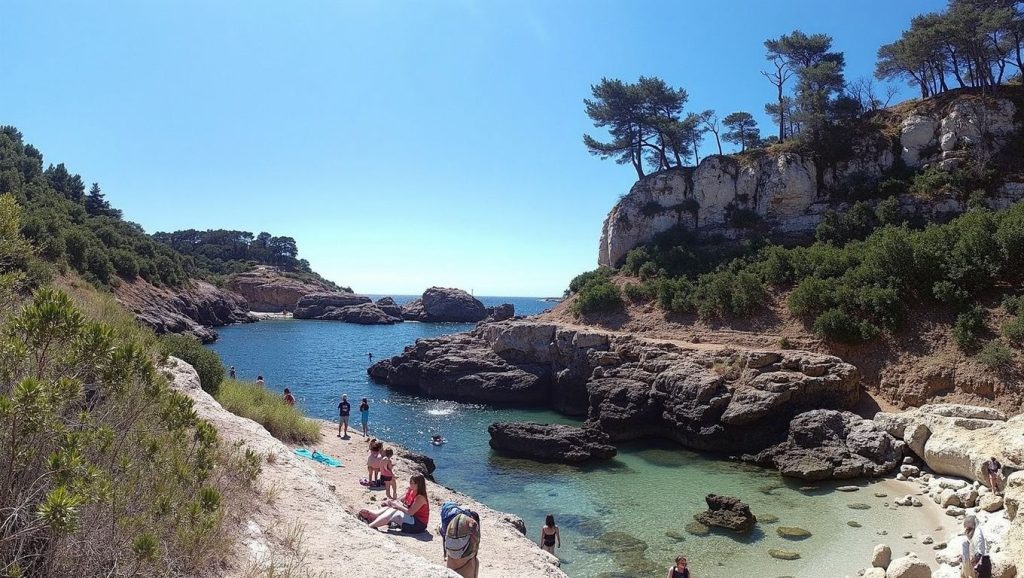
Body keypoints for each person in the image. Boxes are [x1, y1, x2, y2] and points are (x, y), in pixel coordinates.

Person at [359, 475, 430, 534]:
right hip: (410, 518)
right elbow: (399, 500)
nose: (411, 484)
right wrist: (391, 502)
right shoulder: (411, 490)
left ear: (419, 484)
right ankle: (373, 515)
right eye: (410, 482)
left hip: (417, 525)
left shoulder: (420, 497)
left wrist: (397, 505)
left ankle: (371, 525)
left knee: (395, 513)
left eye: (413, 483)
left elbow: (410, 512)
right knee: (392, 508)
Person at [444, 511, 481, 578]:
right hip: (467, 565)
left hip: (451, 562)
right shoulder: (471, 557)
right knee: (475, 562)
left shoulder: (452, 526)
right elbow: (476, 543)